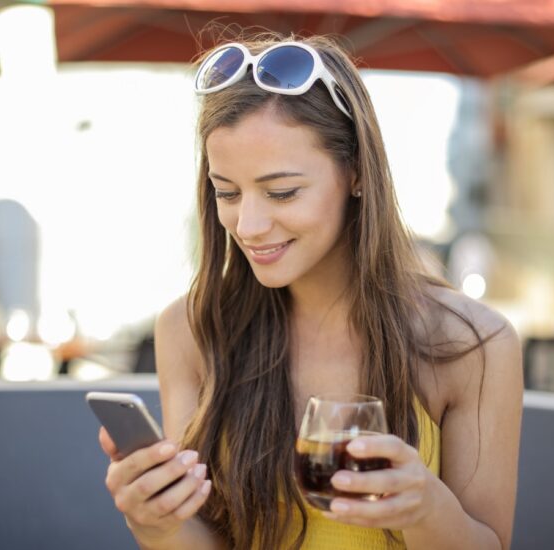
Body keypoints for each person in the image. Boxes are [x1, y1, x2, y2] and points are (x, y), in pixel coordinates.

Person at [97, 32, 523, 550]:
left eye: (282, 192)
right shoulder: (191, 330)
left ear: (357, 173)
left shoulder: (473, 345)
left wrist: (426, 508)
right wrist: (156, 523)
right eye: (226, 192)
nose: (248, 225)